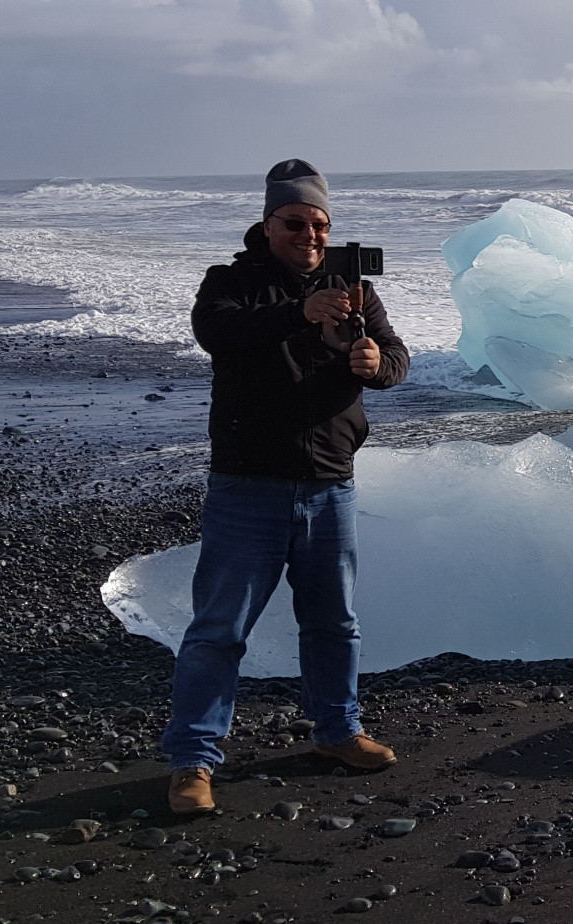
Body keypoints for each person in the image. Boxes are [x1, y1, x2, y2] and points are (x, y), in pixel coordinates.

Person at [161, 159, 410, 816]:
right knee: (219, 628)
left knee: (334, 622)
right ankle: (193, 759)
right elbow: (216, 332)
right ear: (267, 225)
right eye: (295, 222)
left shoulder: (352, 287)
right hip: (249, 484)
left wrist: (375, 363)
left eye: (320, 225)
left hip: (331, 484)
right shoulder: (232, 283)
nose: (311, 235)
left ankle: (337, 731)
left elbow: (398, 356)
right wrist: (299, 313)